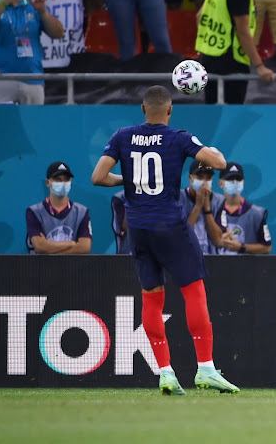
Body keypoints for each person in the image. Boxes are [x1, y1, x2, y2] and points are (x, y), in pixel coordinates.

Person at [91, 85, 239, 395]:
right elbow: (219, 163)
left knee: (151, 298)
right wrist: (211, 151)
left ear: (143, 110)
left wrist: (128, 178)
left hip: (139, 230)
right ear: (170, 110)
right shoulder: (178, 137)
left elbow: (98, 177)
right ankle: (206, 368)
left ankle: (165, 372)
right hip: (170, 226)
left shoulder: (123, 136)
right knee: (194, 292)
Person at [196, 0, 276, 104]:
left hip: (210, 57)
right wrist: (260, 66)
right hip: (231, 62)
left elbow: (199, 15)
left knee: (212, 113)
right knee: (231, 116)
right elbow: (243, 32)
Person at [26, 162, 92, 254]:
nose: (63, 183)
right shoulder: (34, 212)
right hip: (41, 267)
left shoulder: (81, 212)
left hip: (72, 267)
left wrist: (49, 249)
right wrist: (71, 243)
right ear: (48, 182)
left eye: (66, 180)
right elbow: (39, 246)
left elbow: (84, 248)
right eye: (58, 180)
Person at [214, 162, 272, 255]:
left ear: (243, 182)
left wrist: (241, 247)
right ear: (220, 183)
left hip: (248, 268)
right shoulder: (213, 211)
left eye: (238, 179)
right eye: (230, 179)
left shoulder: (257, 214)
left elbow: (267, 247)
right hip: (217, 268)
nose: (234, 182)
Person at [180, 161, 225, 254]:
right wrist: (198, 206)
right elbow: (182, 236)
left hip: (212, 261)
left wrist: (207, 207)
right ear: (190, 178)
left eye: (208, 178)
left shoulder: (219, 201)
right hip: (186, 259)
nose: (204, 183)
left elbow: (217, 240)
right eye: (200, 177)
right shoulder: (178, 198)